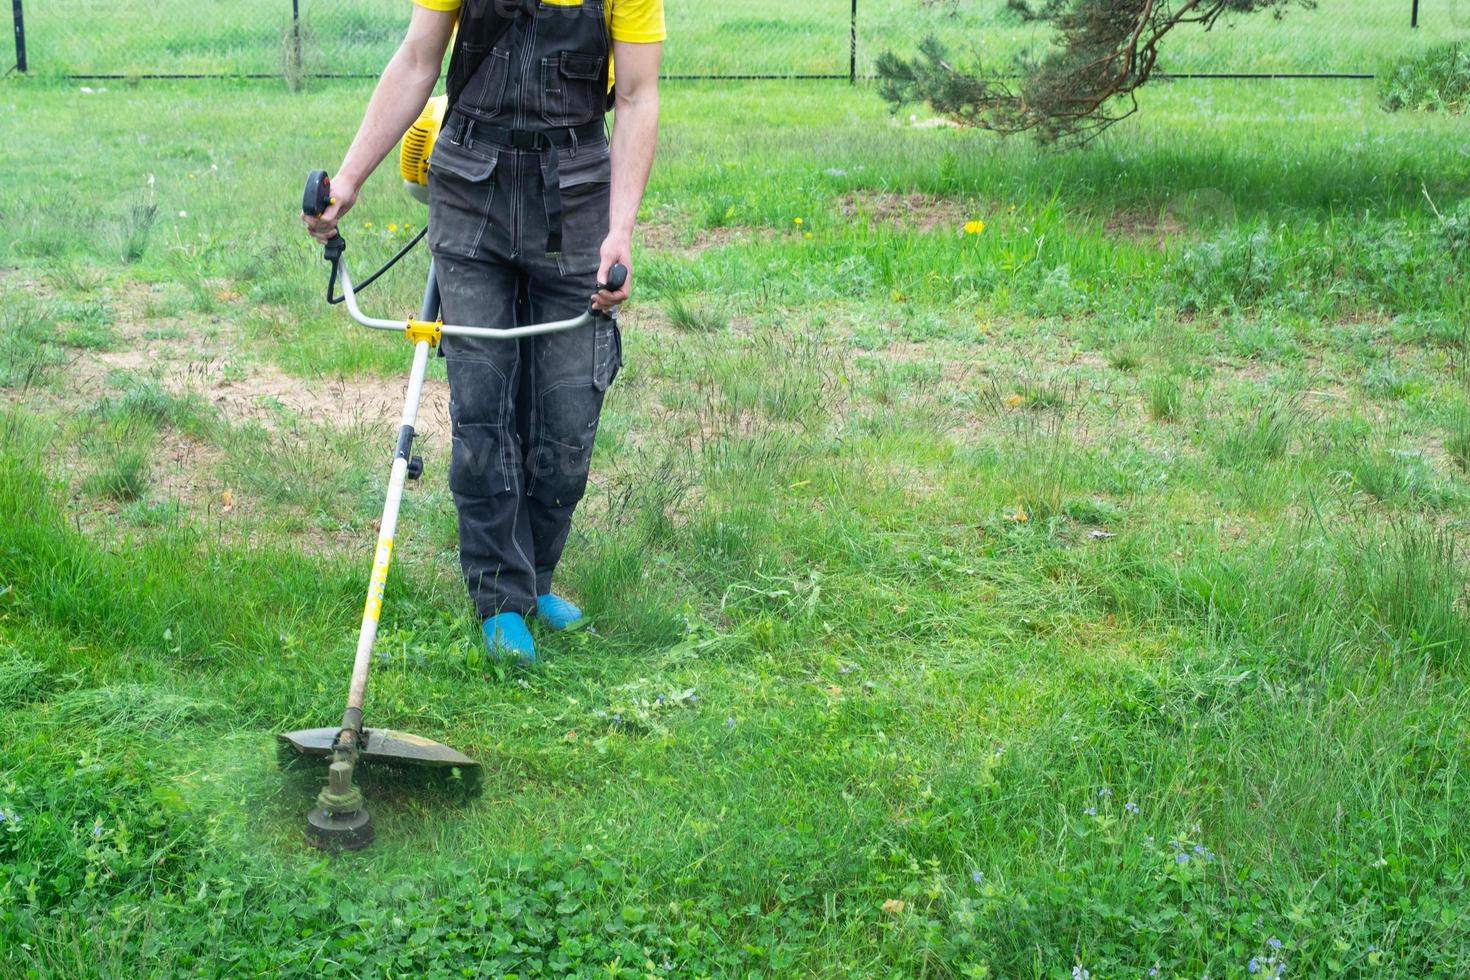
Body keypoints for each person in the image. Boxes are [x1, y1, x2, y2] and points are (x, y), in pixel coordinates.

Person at [302, 0, 664, 664]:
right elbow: (417, 60)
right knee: (481, 405)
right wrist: (348, 178)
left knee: (566, 409)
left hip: (577, 196)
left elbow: (638, 97)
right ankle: (500, 598)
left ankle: (537, 575)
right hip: (471, 193)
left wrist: (621, 232)